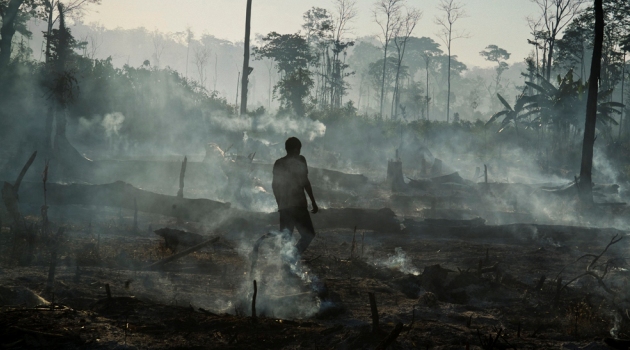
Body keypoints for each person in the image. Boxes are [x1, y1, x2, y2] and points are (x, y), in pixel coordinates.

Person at [272, 137, 318, 254]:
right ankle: (292, 257)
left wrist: (280, 204)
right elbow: (305, 182)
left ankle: (286, 263)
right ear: (297, 149)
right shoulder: (301, 161)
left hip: (285, 207)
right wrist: (313, 201)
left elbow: (275, 186)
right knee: (308, 234)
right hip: (299, 206)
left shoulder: (279, 163)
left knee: (285, 238)